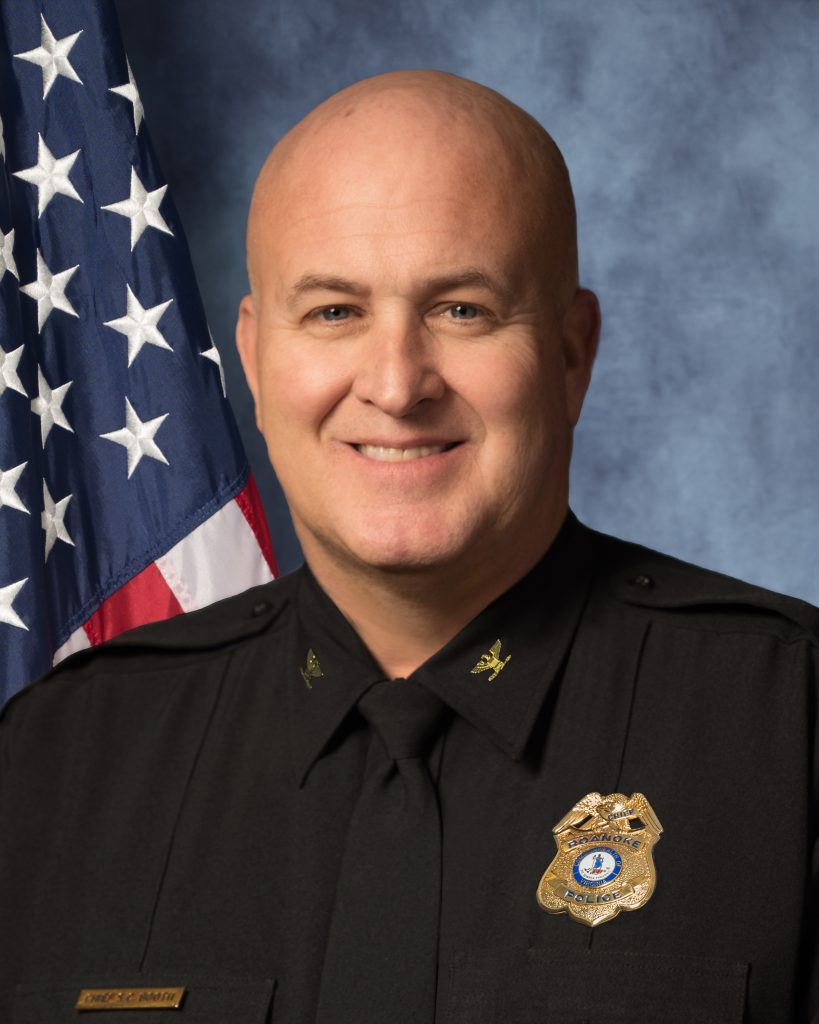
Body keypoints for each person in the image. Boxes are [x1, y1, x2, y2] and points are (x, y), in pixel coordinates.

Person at [0, 70, 816, 1023]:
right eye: (335, 312)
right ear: (258, 363)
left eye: (462, 308)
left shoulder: (792, 732)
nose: (396, 384)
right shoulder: (57, 763)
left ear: (569, 355)